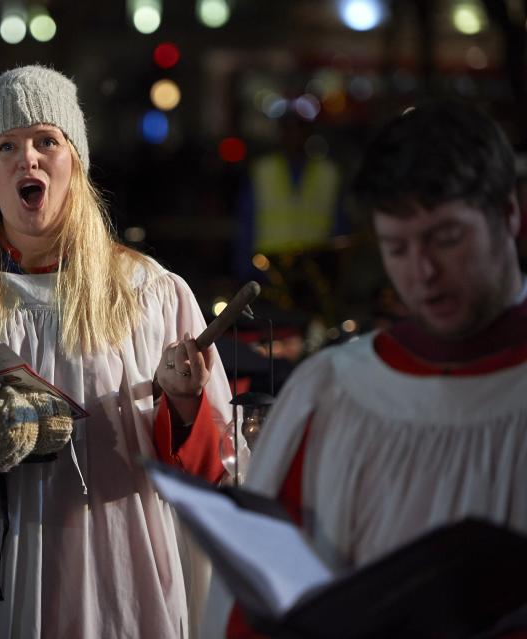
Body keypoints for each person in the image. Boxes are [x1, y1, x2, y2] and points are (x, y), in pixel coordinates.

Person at [0, 65, 233, 638]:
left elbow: (209, 472)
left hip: (118, 566)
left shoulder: (148, 292)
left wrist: (184, 405)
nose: (29, 159)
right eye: (7, 146)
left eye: (48, 141)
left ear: (76, 162)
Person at [203, 100, 527, 638]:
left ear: (510, 216)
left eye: (446, 239)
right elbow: (254, 607)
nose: (422, 272)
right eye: (397, 247)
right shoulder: (332, 394)